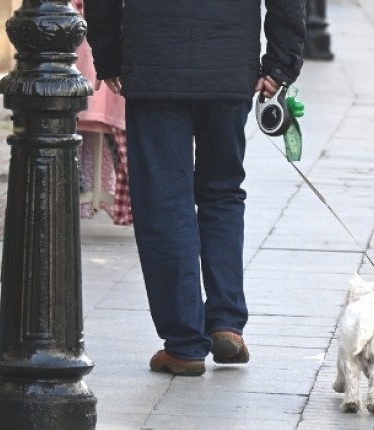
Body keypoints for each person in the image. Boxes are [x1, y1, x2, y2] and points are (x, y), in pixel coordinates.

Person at [83, 0, 305, 376]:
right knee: (223, 191)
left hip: (155, 63)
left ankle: (184, 342)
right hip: (228, 63)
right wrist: (281, 64)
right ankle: (226, 322)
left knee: (164, 200)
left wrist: (109, 55)